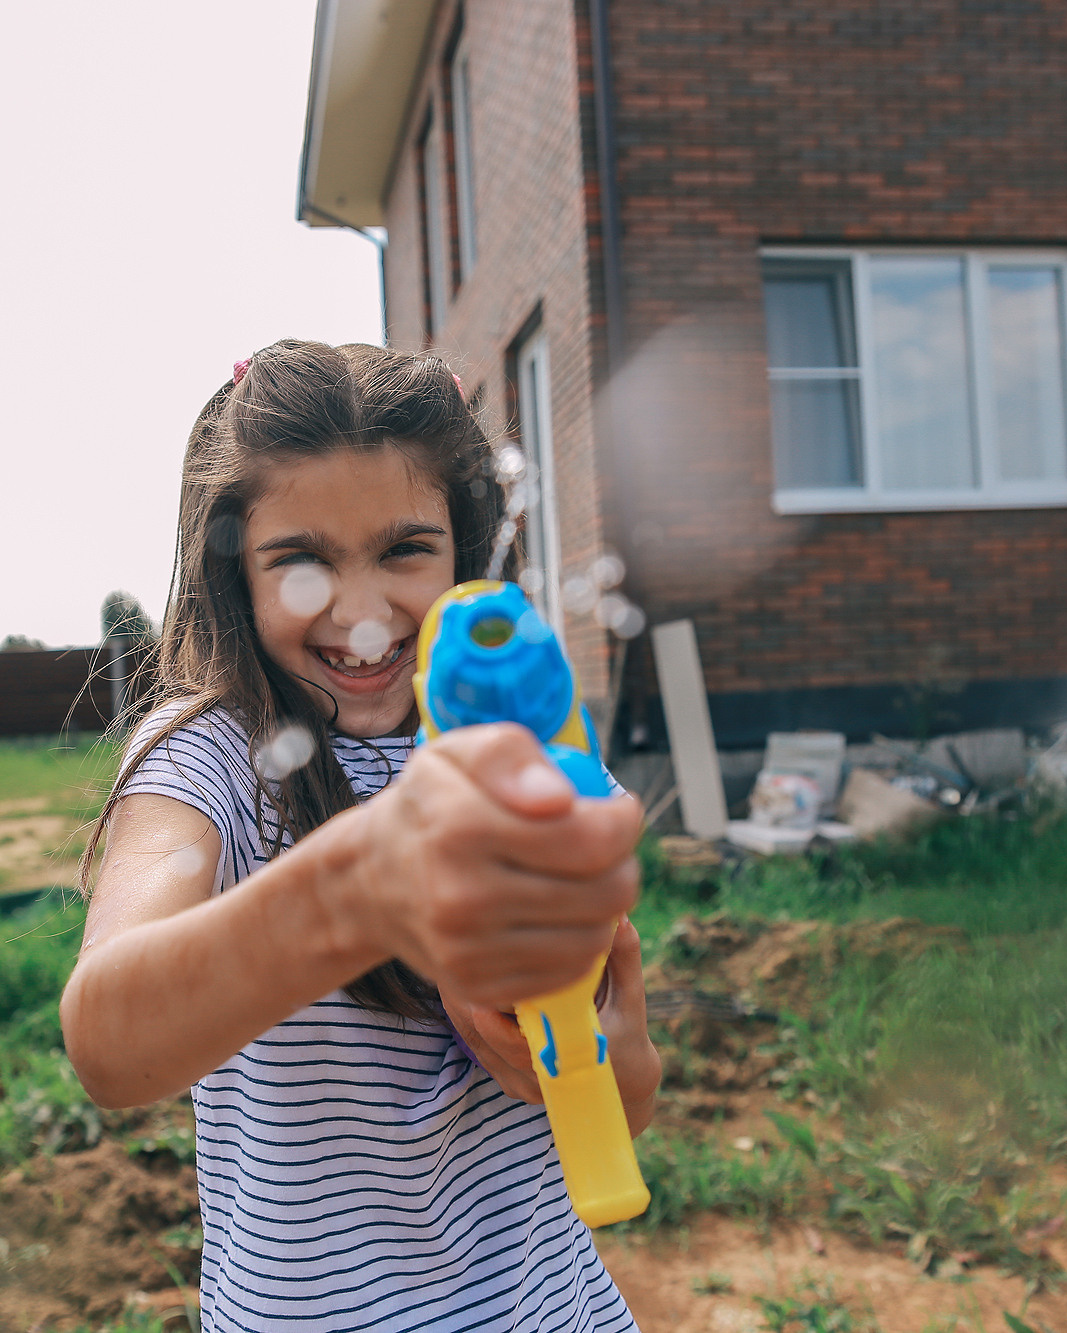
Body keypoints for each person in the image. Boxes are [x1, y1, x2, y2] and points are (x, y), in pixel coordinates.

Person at [60, 339, 657, 1331]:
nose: (366, 616)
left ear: (462, 551)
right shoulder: (207, 759)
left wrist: (591, 1045)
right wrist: (359, 889)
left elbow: (619, 1107)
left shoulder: (502, 745)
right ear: (232, 574)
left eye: (403, 550)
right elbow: (107, 1044)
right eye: (300, 561)